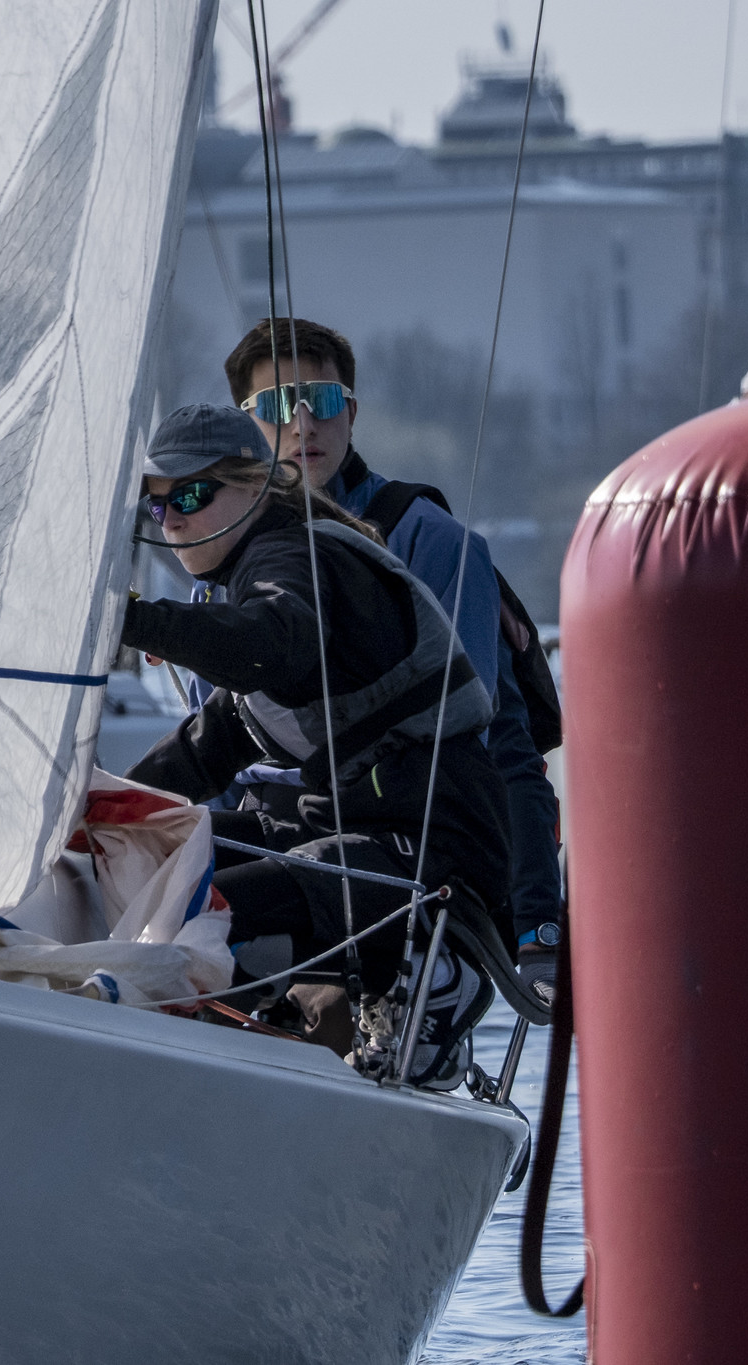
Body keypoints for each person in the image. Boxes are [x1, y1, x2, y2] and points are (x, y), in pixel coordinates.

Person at [121, 404, 511, 1087]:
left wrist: (133, 621)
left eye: (190, 494)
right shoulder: (267, 568)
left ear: (255, 485)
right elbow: (209, 746)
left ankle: (438, 979)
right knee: (167, 846)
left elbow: (271, 645)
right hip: (356, 833)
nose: (172, 520)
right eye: (158, 507)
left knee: (205, 909)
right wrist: (103, 814)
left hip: (433, 844)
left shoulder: (292, 557)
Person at [217, 318, 564, 1004]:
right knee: (151, 870)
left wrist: (537, 928)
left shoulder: (431, 540)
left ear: (351, 412)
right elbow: (226, 743)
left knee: (225, 912)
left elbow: (487, 739)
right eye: (276, 406)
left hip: (410, 849)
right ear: (245, 427)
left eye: (321, 400)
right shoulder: (223, 555)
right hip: (285, 825)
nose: (302, 424)